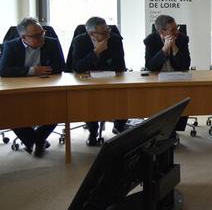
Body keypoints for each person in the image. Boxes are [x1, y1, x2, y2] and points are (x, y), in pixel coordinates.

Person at [0, 17, 65, 156]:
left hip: (46, 86)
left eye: (42, 33)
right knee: (8, 112)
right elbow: (4, 70)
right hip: (19, 89)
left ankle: (35, 141)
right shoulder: (11, 46)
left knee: (61, 108)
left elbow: (60, 66)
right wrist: (33, 70)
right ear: (24, 38)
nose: (42, 37)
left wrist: (45, 71)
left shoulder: (51, 43)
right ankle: (37, 141)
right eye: (36, 36)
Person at [68, 16, 128, 146]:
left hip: (111, 80)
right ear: (92, 34)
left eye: (108, 31)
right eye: (104, 33)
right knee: (88, 99)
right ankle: (93, 131)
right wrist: (96, 52)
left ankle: (119, 125)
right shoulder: (80, 41)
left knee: (125, 94)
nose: (108, 35)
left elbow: (120, 66)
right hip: (88, 82)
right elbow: (77, 67)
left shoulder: (115, 40)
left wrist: (101, 70)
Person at [144, 14, 191, 131]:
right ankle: (159, 129)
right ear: (162, 31)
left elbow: (185, 65)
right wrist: (164, 49)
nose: (177, 32)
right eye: (173, 30)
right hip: (157, 80)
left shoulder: (182, 39)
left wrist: (174, 47)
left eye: (177, 28)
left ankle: (174, 129)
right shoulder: (150, 40)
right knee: (158, 102)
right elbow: (150, 66)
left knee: (183, 99)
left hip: (178, 79)